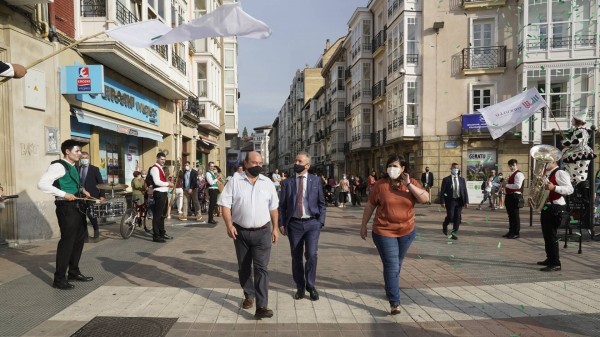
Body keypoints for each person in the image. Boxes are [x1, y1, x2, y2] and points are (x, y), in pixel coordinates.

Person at [359, 154, 428, 315]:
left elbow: (425, 198)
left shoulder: (411, 183)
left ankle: (390, 286)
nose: (392, 169)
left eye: (396, 166)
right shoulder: (380, 185)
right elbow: (370, 206)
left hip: (407, 231)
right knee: (392, 265)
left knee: (396, 263)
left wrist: (409, 184)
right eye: (390, 165)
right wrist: (363, 225)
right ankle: (394, 302)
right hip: (384, 231)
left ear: (403, 168)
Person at [218, 151, 280, 319]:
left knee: (261, 269)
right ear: (245, 163)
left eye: (260, 163)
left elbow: (273, 208)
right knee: (244, 268)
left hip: (263, 233)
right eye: (254, 163)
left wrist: (275, 228)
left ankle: (261, 306)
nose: (258, 166)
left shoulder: (267, 183)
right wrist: (229, 225)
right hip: (241, 232)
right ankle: (249, 295)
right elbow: (225, 205)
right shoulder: (234, 181)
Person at [37, 139, 94, 289]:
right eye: (77, 151)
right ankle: (59, 279)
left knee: (79, 240)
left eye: (80, 151)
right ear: (67, 151)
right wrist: (63, 193)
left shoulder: (73, 166)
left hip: (77, 207)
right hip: (66, 208)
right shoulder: (58, 166)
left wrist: (82, 191)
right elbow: (42, 184)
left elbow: (72, 183)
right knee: (67, 243)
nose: (80, 154)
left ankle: (73, 272)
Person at [278, 152, 326, 302]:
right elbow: (282, 206)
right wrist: (281, 223)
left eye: (299, 161)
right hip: (294, 224)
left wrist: (320, 222)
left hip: (312, 223)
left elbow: (322, 203)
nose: (296, 163)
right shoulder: (288, 183)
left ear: (307, 165)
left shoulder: (316, 181)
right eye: (295, 160)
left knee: (311, 254)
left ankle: (310, 285)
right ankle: (300, 286)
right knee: (296, 257)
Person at [537, 158, 574, 272]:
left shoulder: (560, 173)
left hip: (556, 207)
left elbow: (570, 189)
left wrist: (555, 188)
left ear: (554, 162)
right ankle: (550, 258)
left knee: (552, 236)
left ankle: (555, 263)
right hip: (547, 206)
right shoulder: (546, 174)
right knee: (547, 235)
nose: (544, 164)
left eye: (546, 162)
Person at [562, 112, 597, 184]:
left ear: (577, 121)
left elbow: (578, 141)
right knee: (566, 153)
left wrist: (567, 142)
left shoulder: (580, 130)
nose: (571, 121)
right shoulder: (578, 130)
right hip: (576, 151)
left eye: (573, 119)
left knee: (568, 155)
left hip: (580, 152)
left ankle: (576, 182)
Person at [148, 152, 175, 242]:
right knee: (157, 215)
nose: (163, 161)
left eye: (164, 159)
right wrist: (168, 183)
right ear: (157, 158)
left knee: (162, 215)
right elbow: (157, 182)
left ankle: (162, 233)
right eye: (161, 159)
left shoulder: (161, 168)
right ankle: (156, 235)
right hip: (159, 193)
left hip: (164, 192)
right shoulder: (154, 169)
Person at [78, 151, 105, 239]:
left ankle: (96, 229)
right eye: (82, 158)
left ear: (88, 159)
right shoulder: (77, 169)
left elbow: (101, 183)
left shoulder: (94, 169)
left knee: (91, 214)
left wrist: (102, 195)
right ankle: (84, 234)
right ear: (80, 159)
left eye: (86, 158)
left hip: (92, 195)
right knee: (81, 215)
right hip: (80, 196)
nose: (84, 159)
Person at [440, 163, 469, 240]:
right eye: (454, 168)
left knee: (457, 218)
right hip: (451, 200)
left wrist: (466, 201)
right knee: (450, 216)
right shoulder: (446, 180)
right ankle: (445, 224)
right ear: (451, 169)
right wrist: (442, 201)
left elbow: (464, 191)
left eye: (457, 168)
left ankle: (454, 233)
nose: (456, 169)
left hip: (459, 200)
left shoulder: (462, 180)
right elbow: (442, 192)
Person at [503, 159, 525, 239]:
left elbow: (518, 186)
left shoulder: (519, 174)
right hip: (509, 195)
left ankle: (516, 232)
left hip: (515, 196)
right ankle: (511, 231)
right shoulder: (511, 174)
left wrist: (506, 185)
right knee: (510, 215)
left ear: (517, 165)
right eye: (510, 166)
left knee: (515, 216)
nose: (512, 167)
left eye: (513, 165)